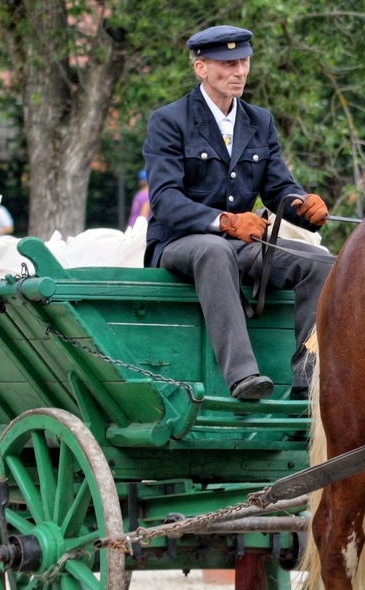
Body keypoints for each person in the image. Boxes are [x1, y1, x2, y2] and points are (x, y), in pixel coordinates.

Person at [142, 25, 333, 401]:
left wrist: (304, 206)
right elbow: (164, 200)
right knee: (213, 250)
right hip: (178, 244)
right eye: (228, 63)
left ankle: (305, 380)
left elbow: (278, 189)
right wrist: (226, 222)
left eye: (244, 61)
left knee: (322, 263)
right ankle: (243, 375)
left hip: (243, 245)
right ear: (201, 68)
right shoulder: (169, 120)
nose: (240, 71)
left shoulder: (259, 121)